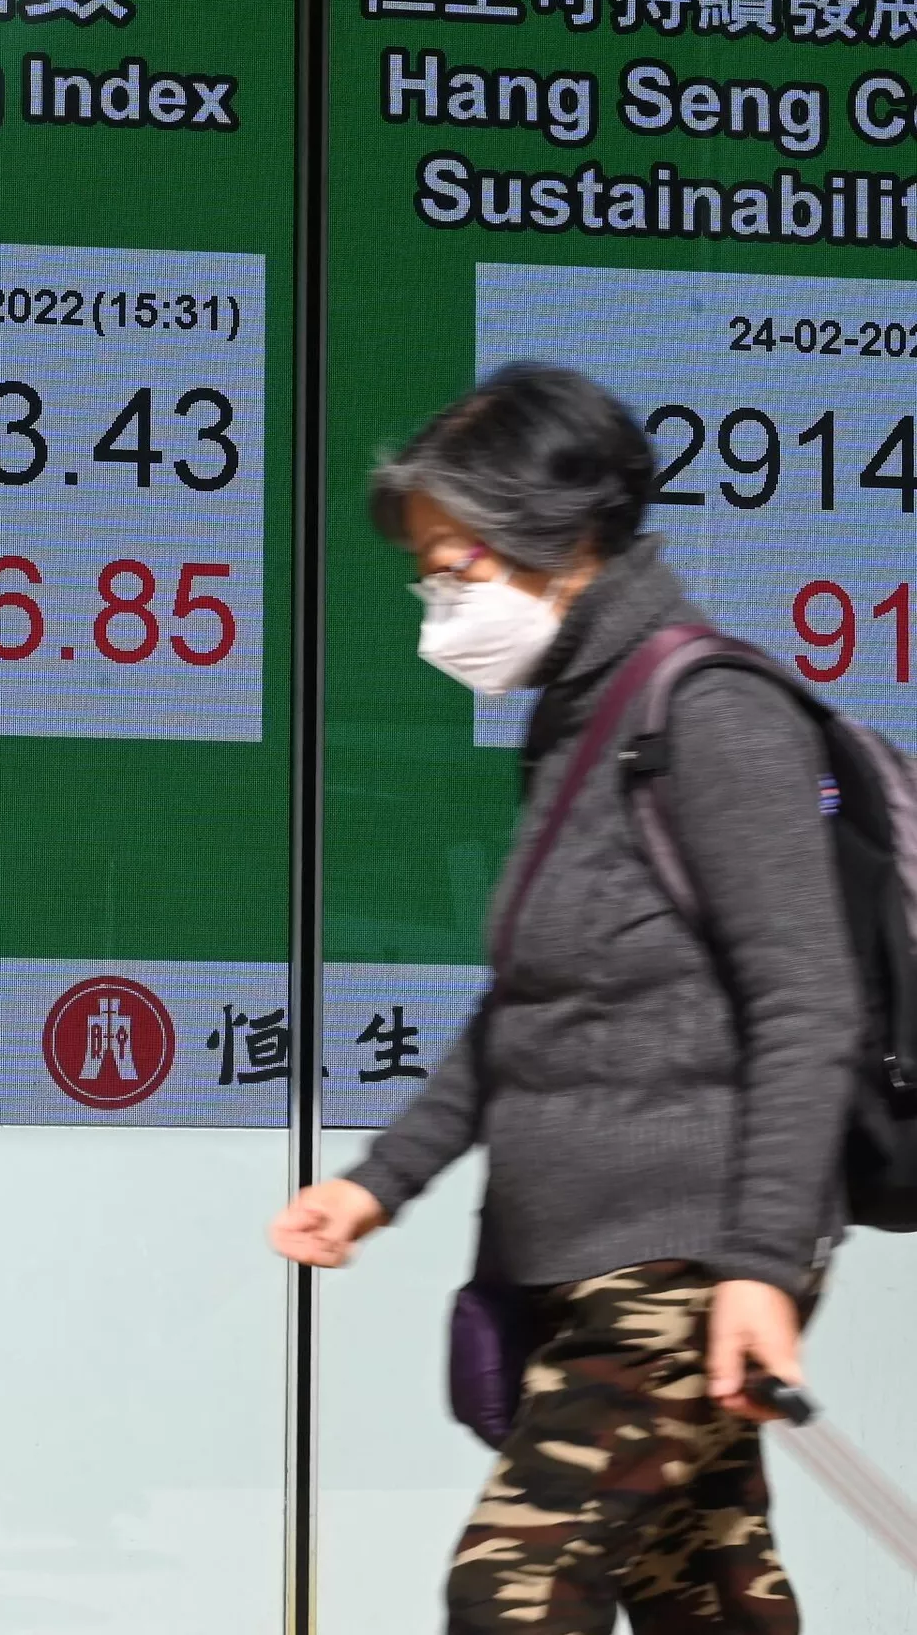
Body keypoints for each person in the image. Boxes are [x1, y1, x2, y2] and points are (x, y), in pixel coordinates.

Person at [268, 365, 860, 1634]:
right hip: (582, 1263)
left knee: (514, 1592)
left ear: (560, 529)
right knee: (706, 1596)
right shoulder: (581, 720)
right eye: (428, 572)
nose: (441, 599)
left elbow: (807, 1001)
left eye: (457, 562)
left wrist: (761, 1267)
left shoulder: (711, 712)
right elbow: (528, 1011)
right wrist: (378, 1182)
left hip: (679, 1261)